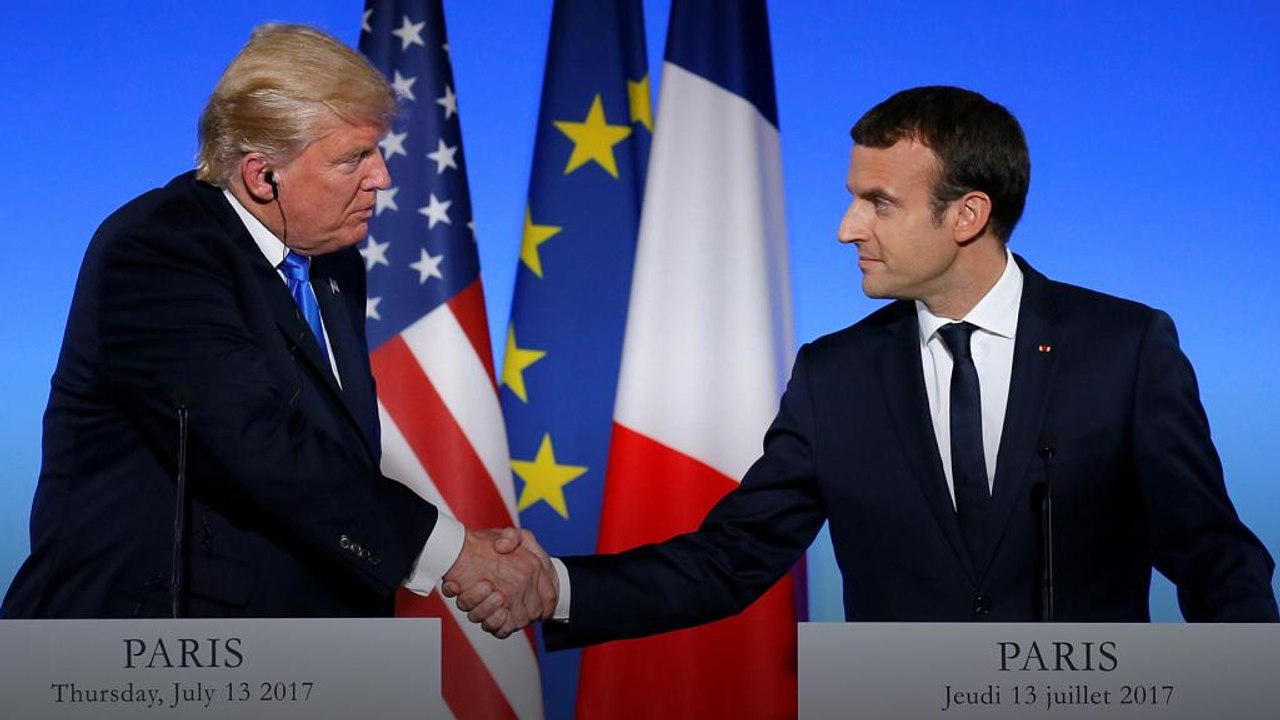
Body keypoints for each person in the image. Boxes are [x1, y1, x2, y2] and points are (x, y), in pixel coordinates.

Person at [452, 85, 1278, 641]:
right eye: (854, 198)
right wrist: (553, 587)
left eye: (879, 202)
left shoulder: (1124, 348)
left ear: (967, 214)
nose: (848, 228)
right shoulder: (835, 376)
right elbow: (732, 558)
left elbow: (1211, 553)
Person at [2, 24, 553, 624]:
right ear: (263, 175)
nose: (384, 178)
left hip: (305, 648)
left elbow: (335, 452)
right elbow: (259, 444)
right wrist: (454, 554)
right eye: (355, 157)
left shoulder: (334, 262)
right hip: (152, 649)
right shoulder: (159, 252)